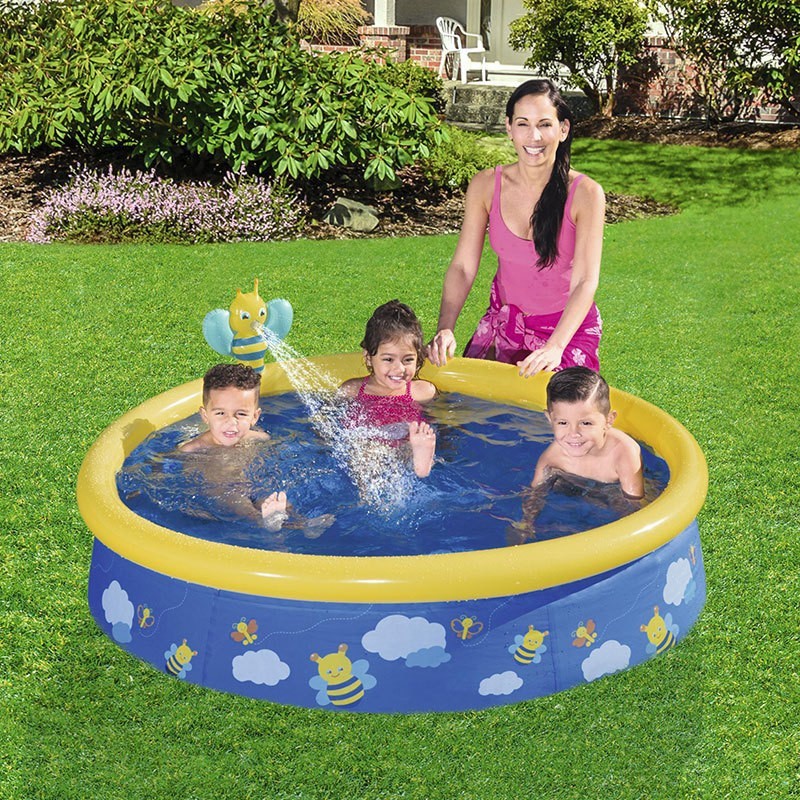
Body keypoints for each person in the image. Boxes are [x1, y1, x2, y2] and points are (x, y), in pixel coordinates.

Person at [428, 79, 605, 378]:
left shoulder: (586, 194)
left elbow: (585, 281)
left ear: (563, 129)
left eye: (545, 124)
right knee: (465, 400)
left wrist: (554, 347)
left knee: (557, 406)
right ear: (509, 128)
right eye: (523, 124)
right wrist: (445, 328)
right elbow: (462, 268)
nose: (534, 136)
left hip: (566, 332)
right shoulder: (486, 185)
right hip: (504, 324)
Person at [511, 367, 643, 540]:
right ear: (550, 419)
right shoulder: (552, 459)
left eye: (586, 423)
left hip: (613, 493)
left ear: (608, 420)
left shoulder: (623, 453)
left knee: (622, 503)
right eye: (563, 423)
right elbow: (534, 496)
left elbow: (635, 506)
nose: (573, 434)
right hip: (570, 486)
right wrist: (525, 525)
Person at [179, 363, 290, 530]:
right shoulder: (193, 448)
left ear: (255, 417)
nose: (231, 422)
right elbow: (160, 464)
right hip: (224, 488)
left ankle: (301, 523)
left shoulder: (259, 438)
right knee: (240, 504)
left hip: (252, 482)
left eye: (241, 414)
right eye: (220, 413)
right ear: (205, 415)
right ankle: (266, 522)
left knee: (276, 498)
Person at [339, 300, 437, 478]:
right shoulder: (352, 390)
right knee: (364, 451)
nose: (399, 369)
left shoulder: (422, 391)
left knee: (399, 447)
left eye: (408, 360)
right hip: (369, 450)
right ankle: (419, 463)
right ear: (368, 358)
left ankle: (420, 460)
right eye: (388, 360)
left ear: (418, 358)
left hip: (404, 445)